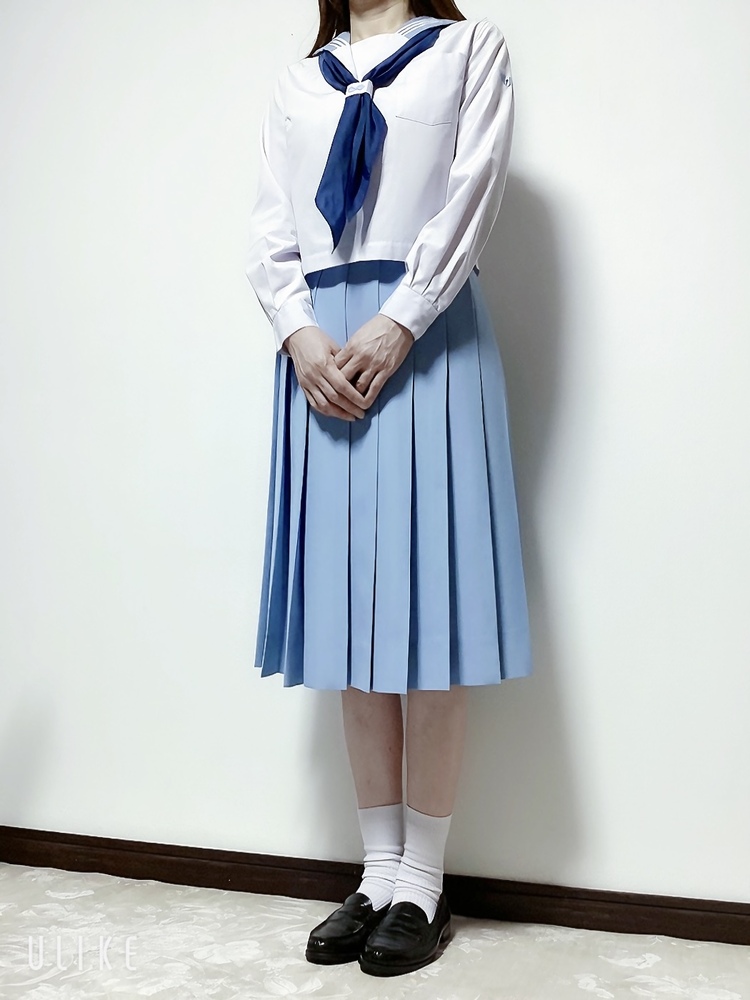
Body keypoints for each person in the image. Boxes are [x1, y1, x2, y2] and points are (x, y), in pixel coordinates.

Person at [245, 0, 533, 979]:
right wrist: (298, 335)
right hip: (321, 353)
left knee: (428, 618)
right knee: (350, 621)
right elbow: (272, 226)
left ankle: (423, 882)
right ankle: (375, 874)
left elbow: (473, 190)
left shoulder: (469, 49)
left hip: (430, 335)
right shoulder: (299, 80)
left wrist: (403, 318)